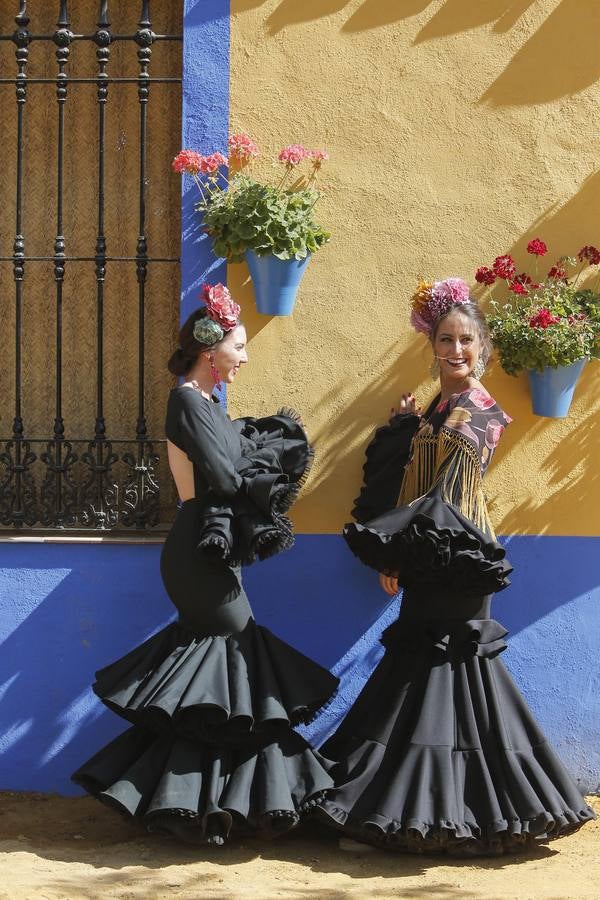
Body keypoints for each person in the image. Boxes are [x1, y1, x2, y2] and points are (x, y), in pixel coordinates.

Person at [314, 278, 595, 856]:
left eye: (467, 341)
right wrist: (407, 427)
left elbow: (448, 500)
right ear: (433, 346)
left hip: (456, 561)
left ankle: (426, 813)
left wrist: (398, 552)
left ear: (485, 349)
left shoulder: (481, 411)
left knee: (445, 684)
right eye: (447, 339)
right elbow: (416, 481)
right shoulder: (441, 406)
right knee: (425, 684)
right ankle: (410, 810)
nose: (457, 350)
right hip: (433, 559)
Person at [73, 282, 338, 845]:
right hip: (196, 552)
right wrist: (261, 455)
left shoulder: (209, 405)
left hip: (207, 551)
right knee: (239, 665)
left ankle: (199, 806)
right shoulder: (185, 401)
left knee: (222, 681)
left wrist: (255, 447)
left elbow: (230, 462)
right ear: (209, 346)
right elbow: (221, 476)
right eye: (238, 346)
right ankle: (228, 802)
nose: (242, 357)